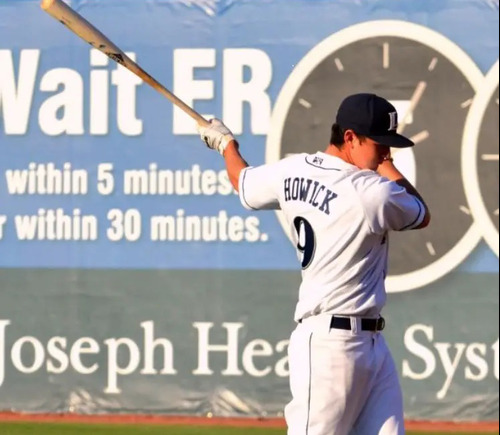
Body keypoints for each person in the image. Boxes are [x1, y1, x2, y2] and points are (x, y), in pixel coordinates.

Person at [197, 93, 431, 435]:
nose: (386, 153)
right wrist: (384, 167)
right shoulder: (371, 192)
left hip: (371, 343)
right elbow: (420, 212)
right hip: (329, 347)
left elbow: (243, 183)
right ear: (349, 137)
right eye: (380, 143)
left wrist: (225, 145)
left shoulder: (292, 170)